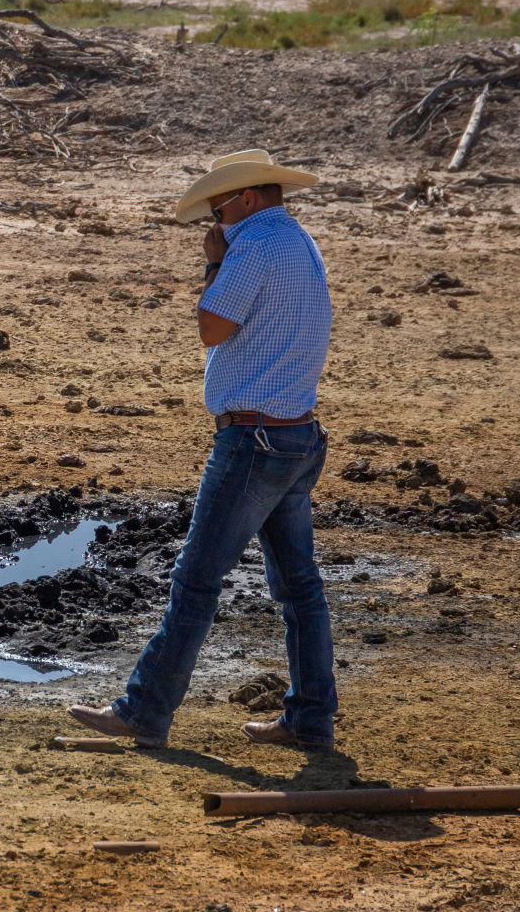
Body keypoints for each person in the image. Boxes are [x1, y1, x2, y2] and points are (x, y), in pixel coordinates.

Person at [67, 149, 337, 752]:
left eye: (220, 211)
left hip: (254, 439)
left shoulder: (253, 245)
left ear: (247, 198)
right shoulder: (300, 242)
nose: (216, 227)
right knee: (299, 590)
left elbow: (212, 328)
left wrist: (215, 266)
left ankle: (144, 710)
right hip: (296, 434)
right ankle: (311, 719)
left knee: (196, 579)